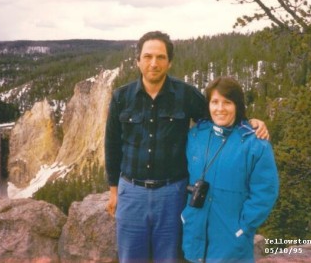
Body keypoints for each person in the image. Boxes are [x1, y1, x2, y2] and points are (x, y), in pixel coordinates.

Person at [104, 31, 269, 263]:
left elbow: (218, 117)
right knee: (131, 257)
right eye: (148, 56)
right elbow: (112, 145)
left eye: (161, 57)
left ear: (169, 62)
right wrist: (113, 191)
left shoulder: (185, 94)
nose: (154, 63)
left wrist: (249, 123)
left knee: (170, 258)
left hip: (173, 194)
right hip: (131, 193)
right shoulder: (121, 97)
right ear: (138, 61)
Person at [181, 76, 279, 263]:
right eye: (215, 102)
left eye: (227, 102)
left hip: (231, 242)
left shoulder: (255, 145)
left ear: (238, 105)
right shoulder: (195, 136)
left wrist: (243, 227)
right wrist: (186, 216)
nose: (220, 109)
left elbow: (265, 193)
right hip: (194, 237)